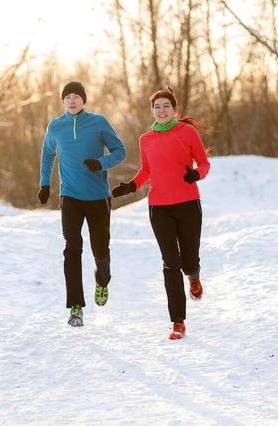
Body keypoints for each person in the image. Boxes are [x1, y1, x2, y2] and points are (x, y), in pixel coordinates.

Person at [112, 87, 210, 340]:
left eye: (166, 106)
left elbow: (204, 163)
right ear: (152, 111)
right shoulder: (146, 139)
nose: (162, 110)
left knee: (188, 262)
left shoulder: (187, 132)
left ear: (175, 110)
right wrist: (131, 186)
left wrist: (196, 174)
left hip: (188, 204)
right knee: (170, 263)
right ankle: (178, 321)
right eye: (157, 107)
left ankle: (195, 278)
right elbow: (147, 170)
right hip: (159, 207)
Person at [38, 81, 127, 327]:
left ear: (84, 100)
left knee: (100, 249)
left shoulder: (98, 123)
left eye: (77, 96)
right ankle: (75, 307)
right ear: (63, 101)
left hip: (98, 196)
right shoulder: (56, 126)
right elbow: (47, 155)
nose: (72, 101)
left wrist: (101, 163)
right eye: (68, 97)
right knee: (72, 247)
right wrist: (45, 184)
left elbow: (120, 151)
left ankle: (103, 280)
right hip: (71, 197)